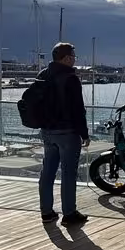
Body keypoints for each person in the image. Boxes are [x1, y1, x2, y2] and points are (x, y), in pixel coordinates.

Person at [38, 42, 90, 226]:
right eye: (74, 56)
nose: (75, 59)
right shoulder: (70, 78)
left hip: (47, 131)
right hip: (67, 133)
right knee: (68, 174)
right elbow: (78, 110)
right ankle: (69, 214)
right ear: (67, 58)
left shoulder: (43, 75)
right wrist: (84, 134)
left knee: (48, 172)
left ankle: (46, 212)